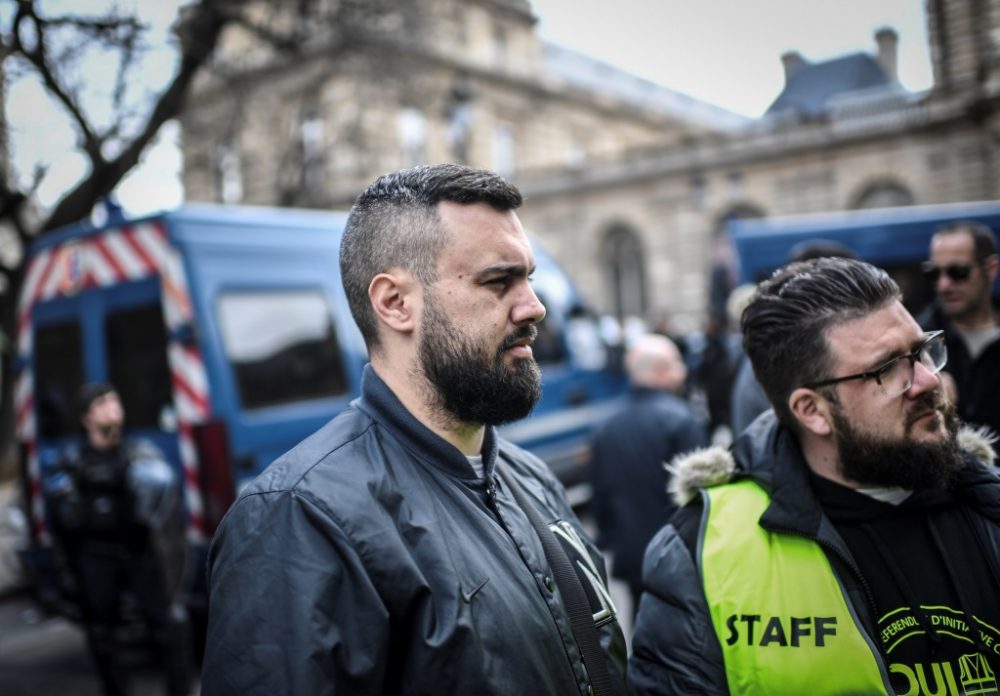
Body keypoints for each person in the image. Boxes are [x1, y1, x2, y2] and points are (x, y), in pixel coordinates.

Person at [202, 164, 628, 695]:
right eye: (499, 281)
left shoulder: (531, 478)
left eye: (529, 279)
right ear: (396, 303)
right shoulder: (300, 520)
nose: (533, 307)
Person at [628, 258, 1000, 695]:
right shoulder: (701, 553)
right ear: (812, 411)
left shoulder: (986, 501)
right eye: (886, 369)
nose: (927, 381)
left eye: (922, 352)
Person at [44, 383, 192, 696]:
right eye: (101, 404)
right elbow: (60, 525)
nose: (111, 408)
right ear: (87, 418)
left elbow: (167, 511)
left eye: (114, 401)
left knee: (168, 627)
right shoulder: (72, 463)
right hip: (95, 557)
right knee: (102, 636)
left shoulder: (140, 455)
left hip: (138, 551)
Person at [588, 334, 707, 614]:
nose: (684, 370)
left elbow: (600, 494)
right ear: (660, 370)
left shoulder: (606, 427)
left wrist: (608, 539)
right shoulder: (682, 420)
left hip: (632, 558)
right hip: (679, 557)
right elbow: (700, 497)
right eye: (677, 363)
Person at [918, 220, 1000, 441]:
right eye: (934, 273)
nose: (944, 285)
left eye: (958, 272)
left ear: (991, 269)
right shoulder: (917, 340)